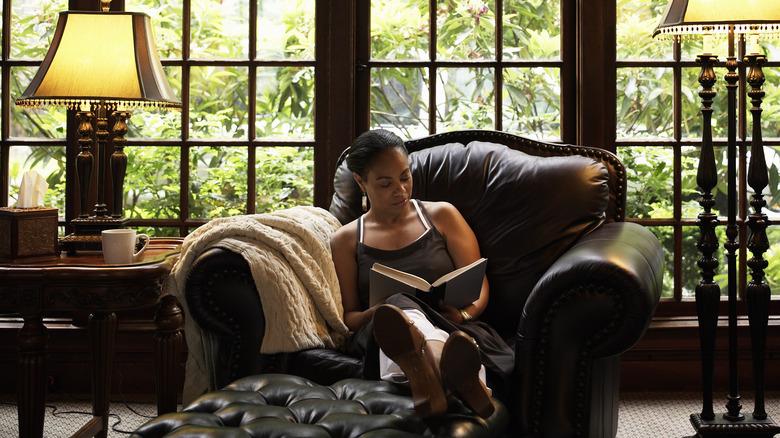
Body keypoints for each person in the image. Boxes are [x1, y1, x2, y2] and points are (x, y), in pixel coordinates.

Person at [330, 129, 513, 419]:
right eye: (385, 183)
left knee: (442, 333)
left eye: (405, 177)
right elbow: (350, 317)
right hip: (384, 334)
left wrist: (464, 316)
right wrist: (377, 311)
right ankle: (454, 373)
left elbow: (479, 284)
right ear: (360, 181)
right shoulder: (346, 239)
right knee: (397, 304)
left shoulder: (442, 215)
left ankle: (427, 373)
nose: (400, 190)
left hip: (452, 327)